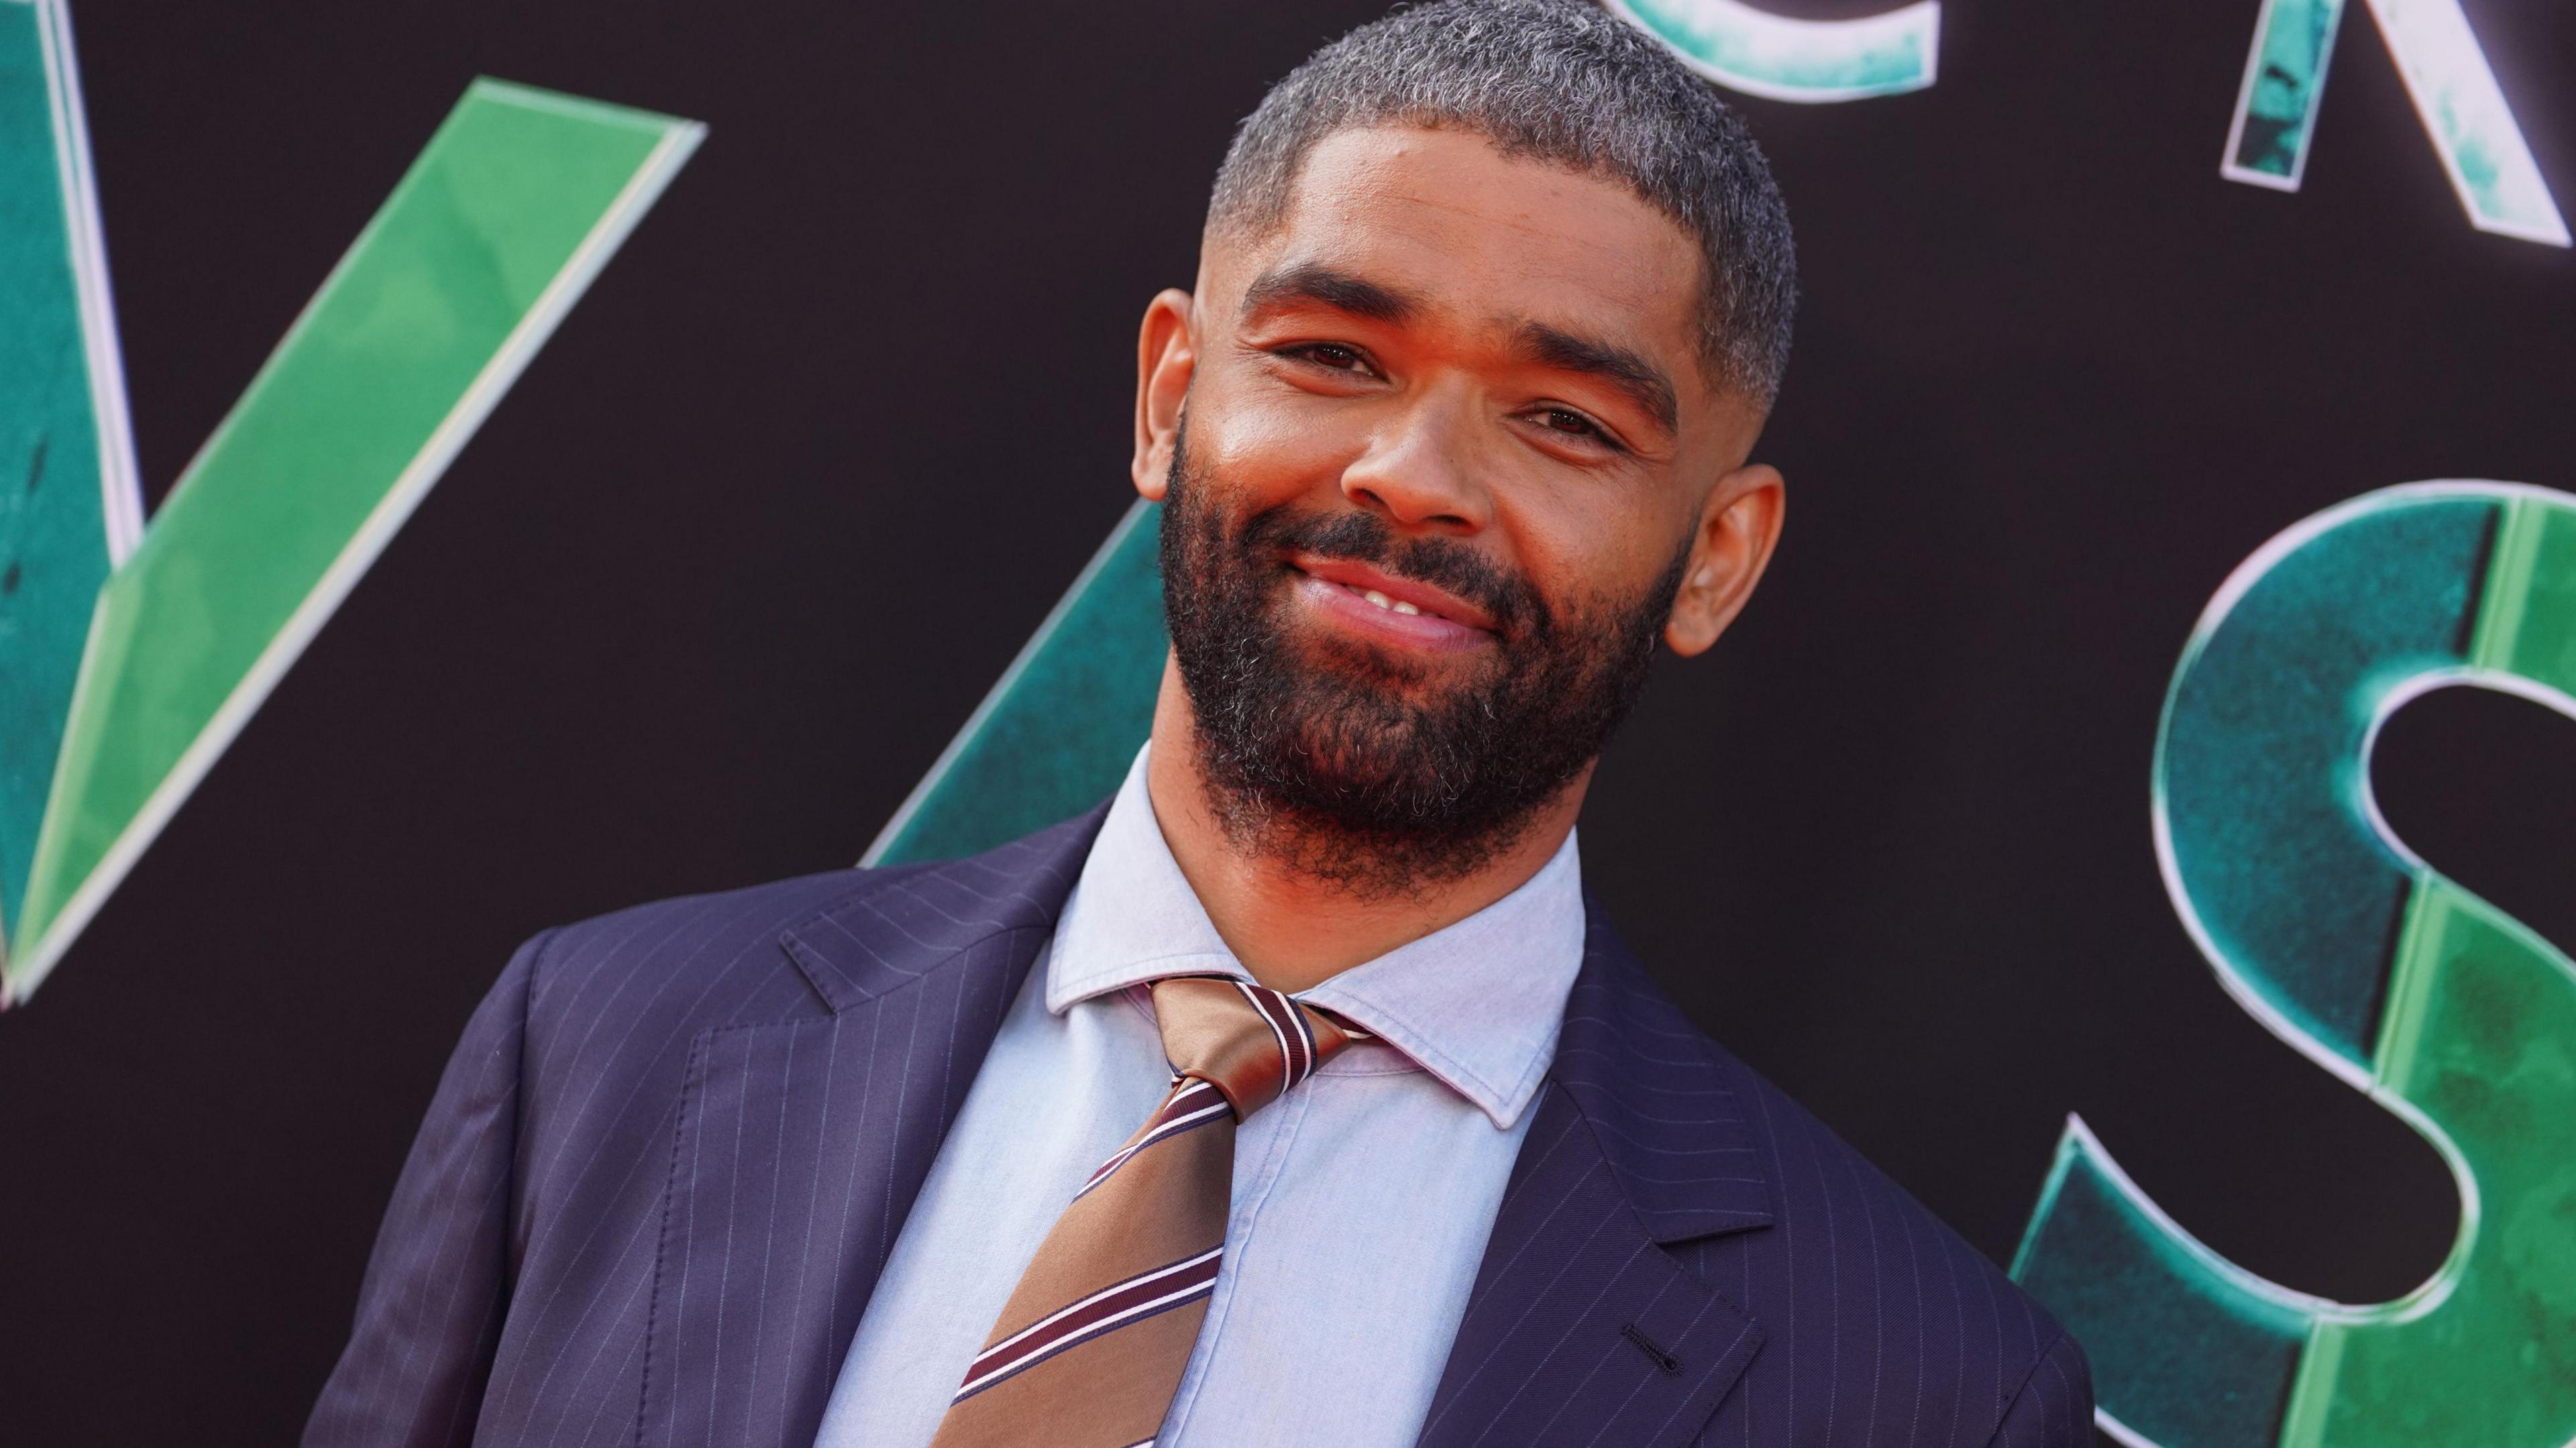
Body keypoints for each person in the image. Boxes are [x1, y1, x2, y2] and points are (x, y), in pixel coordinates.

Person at [308, 3, 2092, 1444]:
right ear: (1174, 395)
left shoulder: (1920, 1393)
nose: (1415, 478)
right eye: (1333, 356)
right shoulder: (604, 1051)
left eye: (1563, 422)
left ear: (1716, 556)